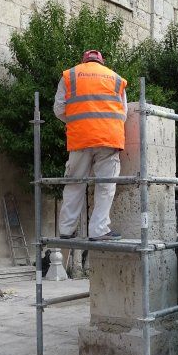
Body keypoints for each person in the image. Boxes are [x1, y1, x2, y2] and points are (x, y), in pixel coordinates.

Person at [53, 50, 127, 241]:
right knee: (105, 186)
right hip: (108, 138)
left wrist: (78, 122)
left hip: (80, 139)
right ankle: (99, 230)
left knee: (74, 183)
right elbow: (123, 113)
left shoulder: (70, 75)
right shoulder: (116, 79)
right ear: (102, 62)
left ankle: (66, 231)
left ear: (83, 61)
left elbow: (59, 108)